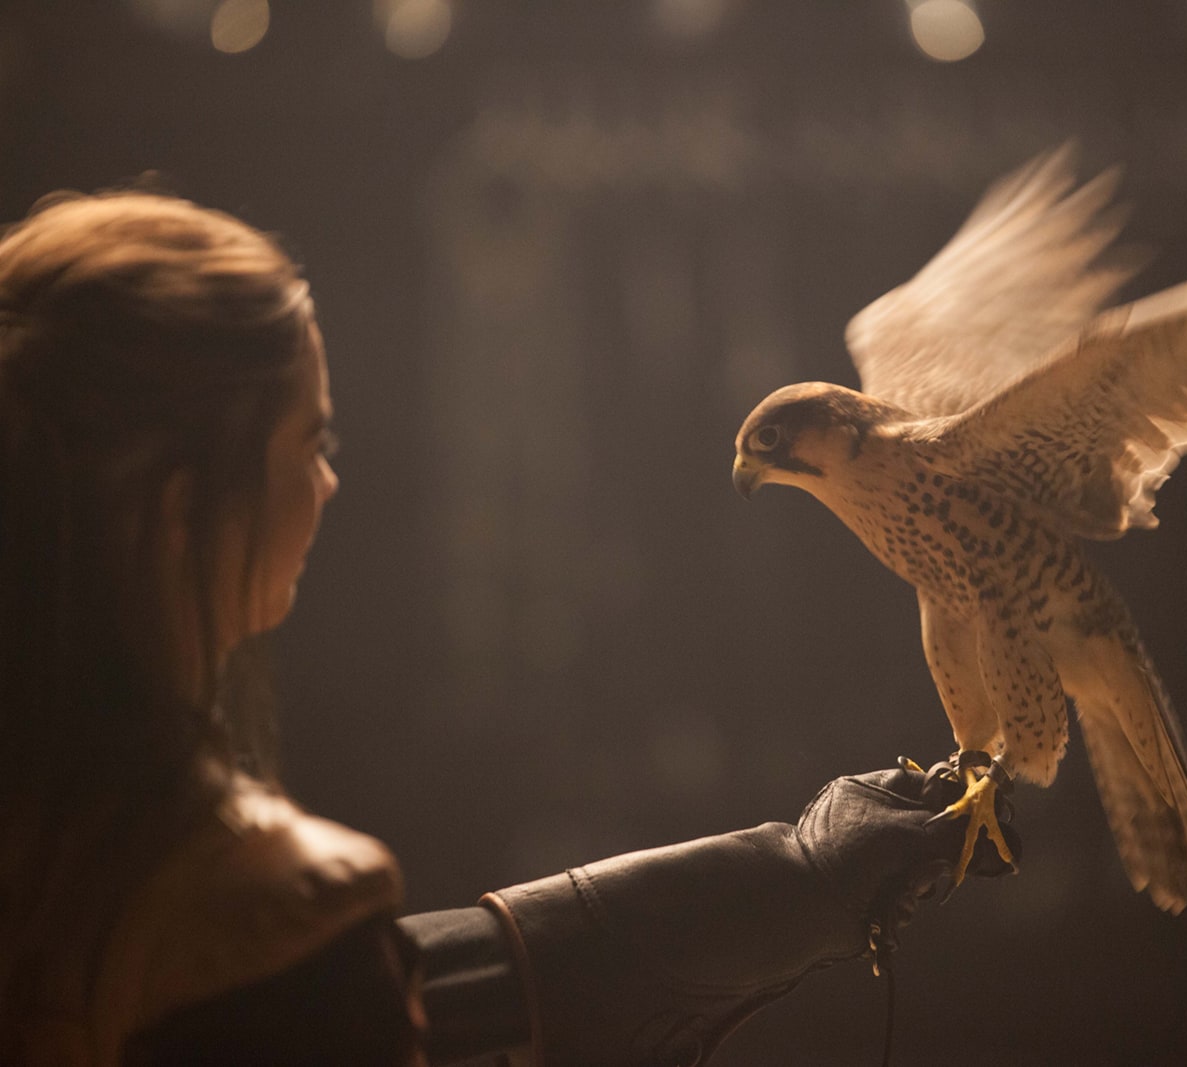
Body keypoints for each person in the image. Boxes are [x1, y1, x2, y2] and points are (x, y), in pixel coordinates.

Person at [0, 189, 1013, 1065]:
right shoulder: (278, 904)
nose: (331, 481)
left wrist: (789, 881)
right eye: (311, 440)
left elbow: (362, 995)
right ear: (182, 507)